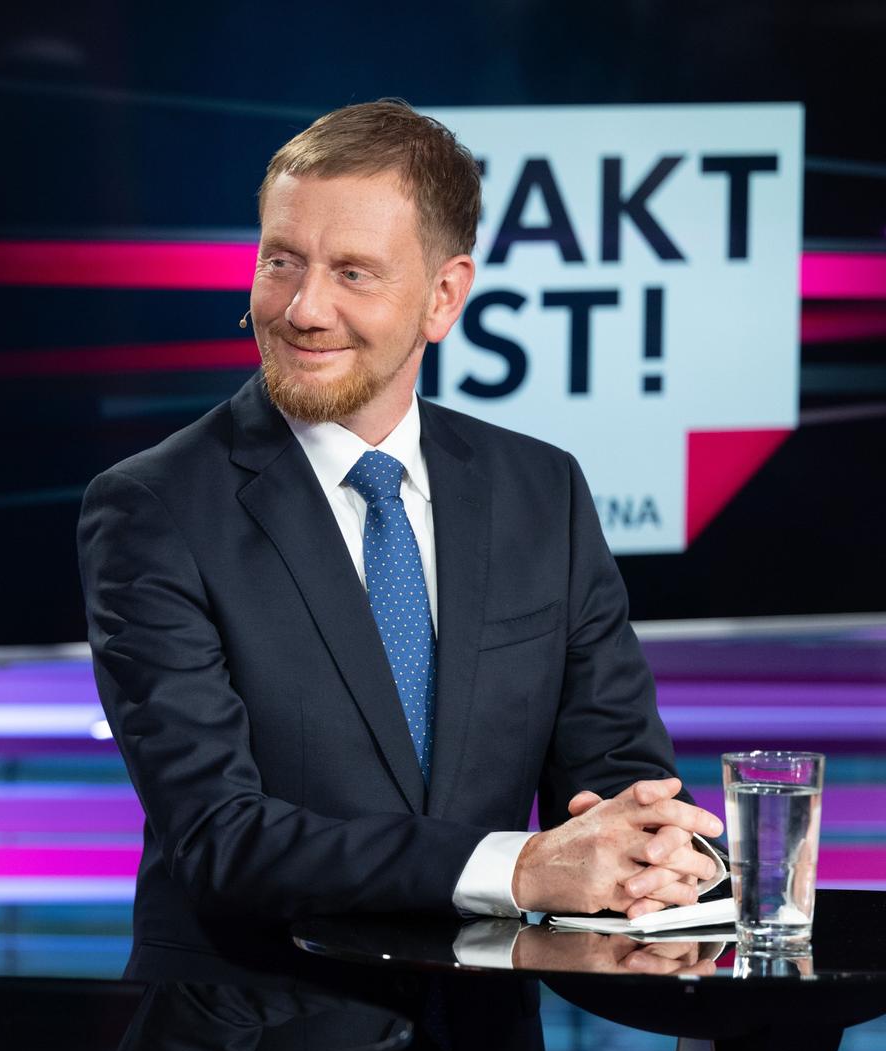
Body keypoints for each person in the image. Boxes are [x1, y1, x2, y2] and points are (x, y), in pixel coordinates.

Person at [75, 101, 725, 980]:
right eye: (281, 262)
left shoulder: (542, 491)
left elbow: (613, 773)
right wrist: (524, 866)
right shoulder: (153, 508)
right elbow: (220, 837)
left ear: (444, 295)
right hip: (249, 1037)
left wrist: (660, 852)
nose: (304, 309)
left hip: (483, 1042)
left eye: (353, 273)